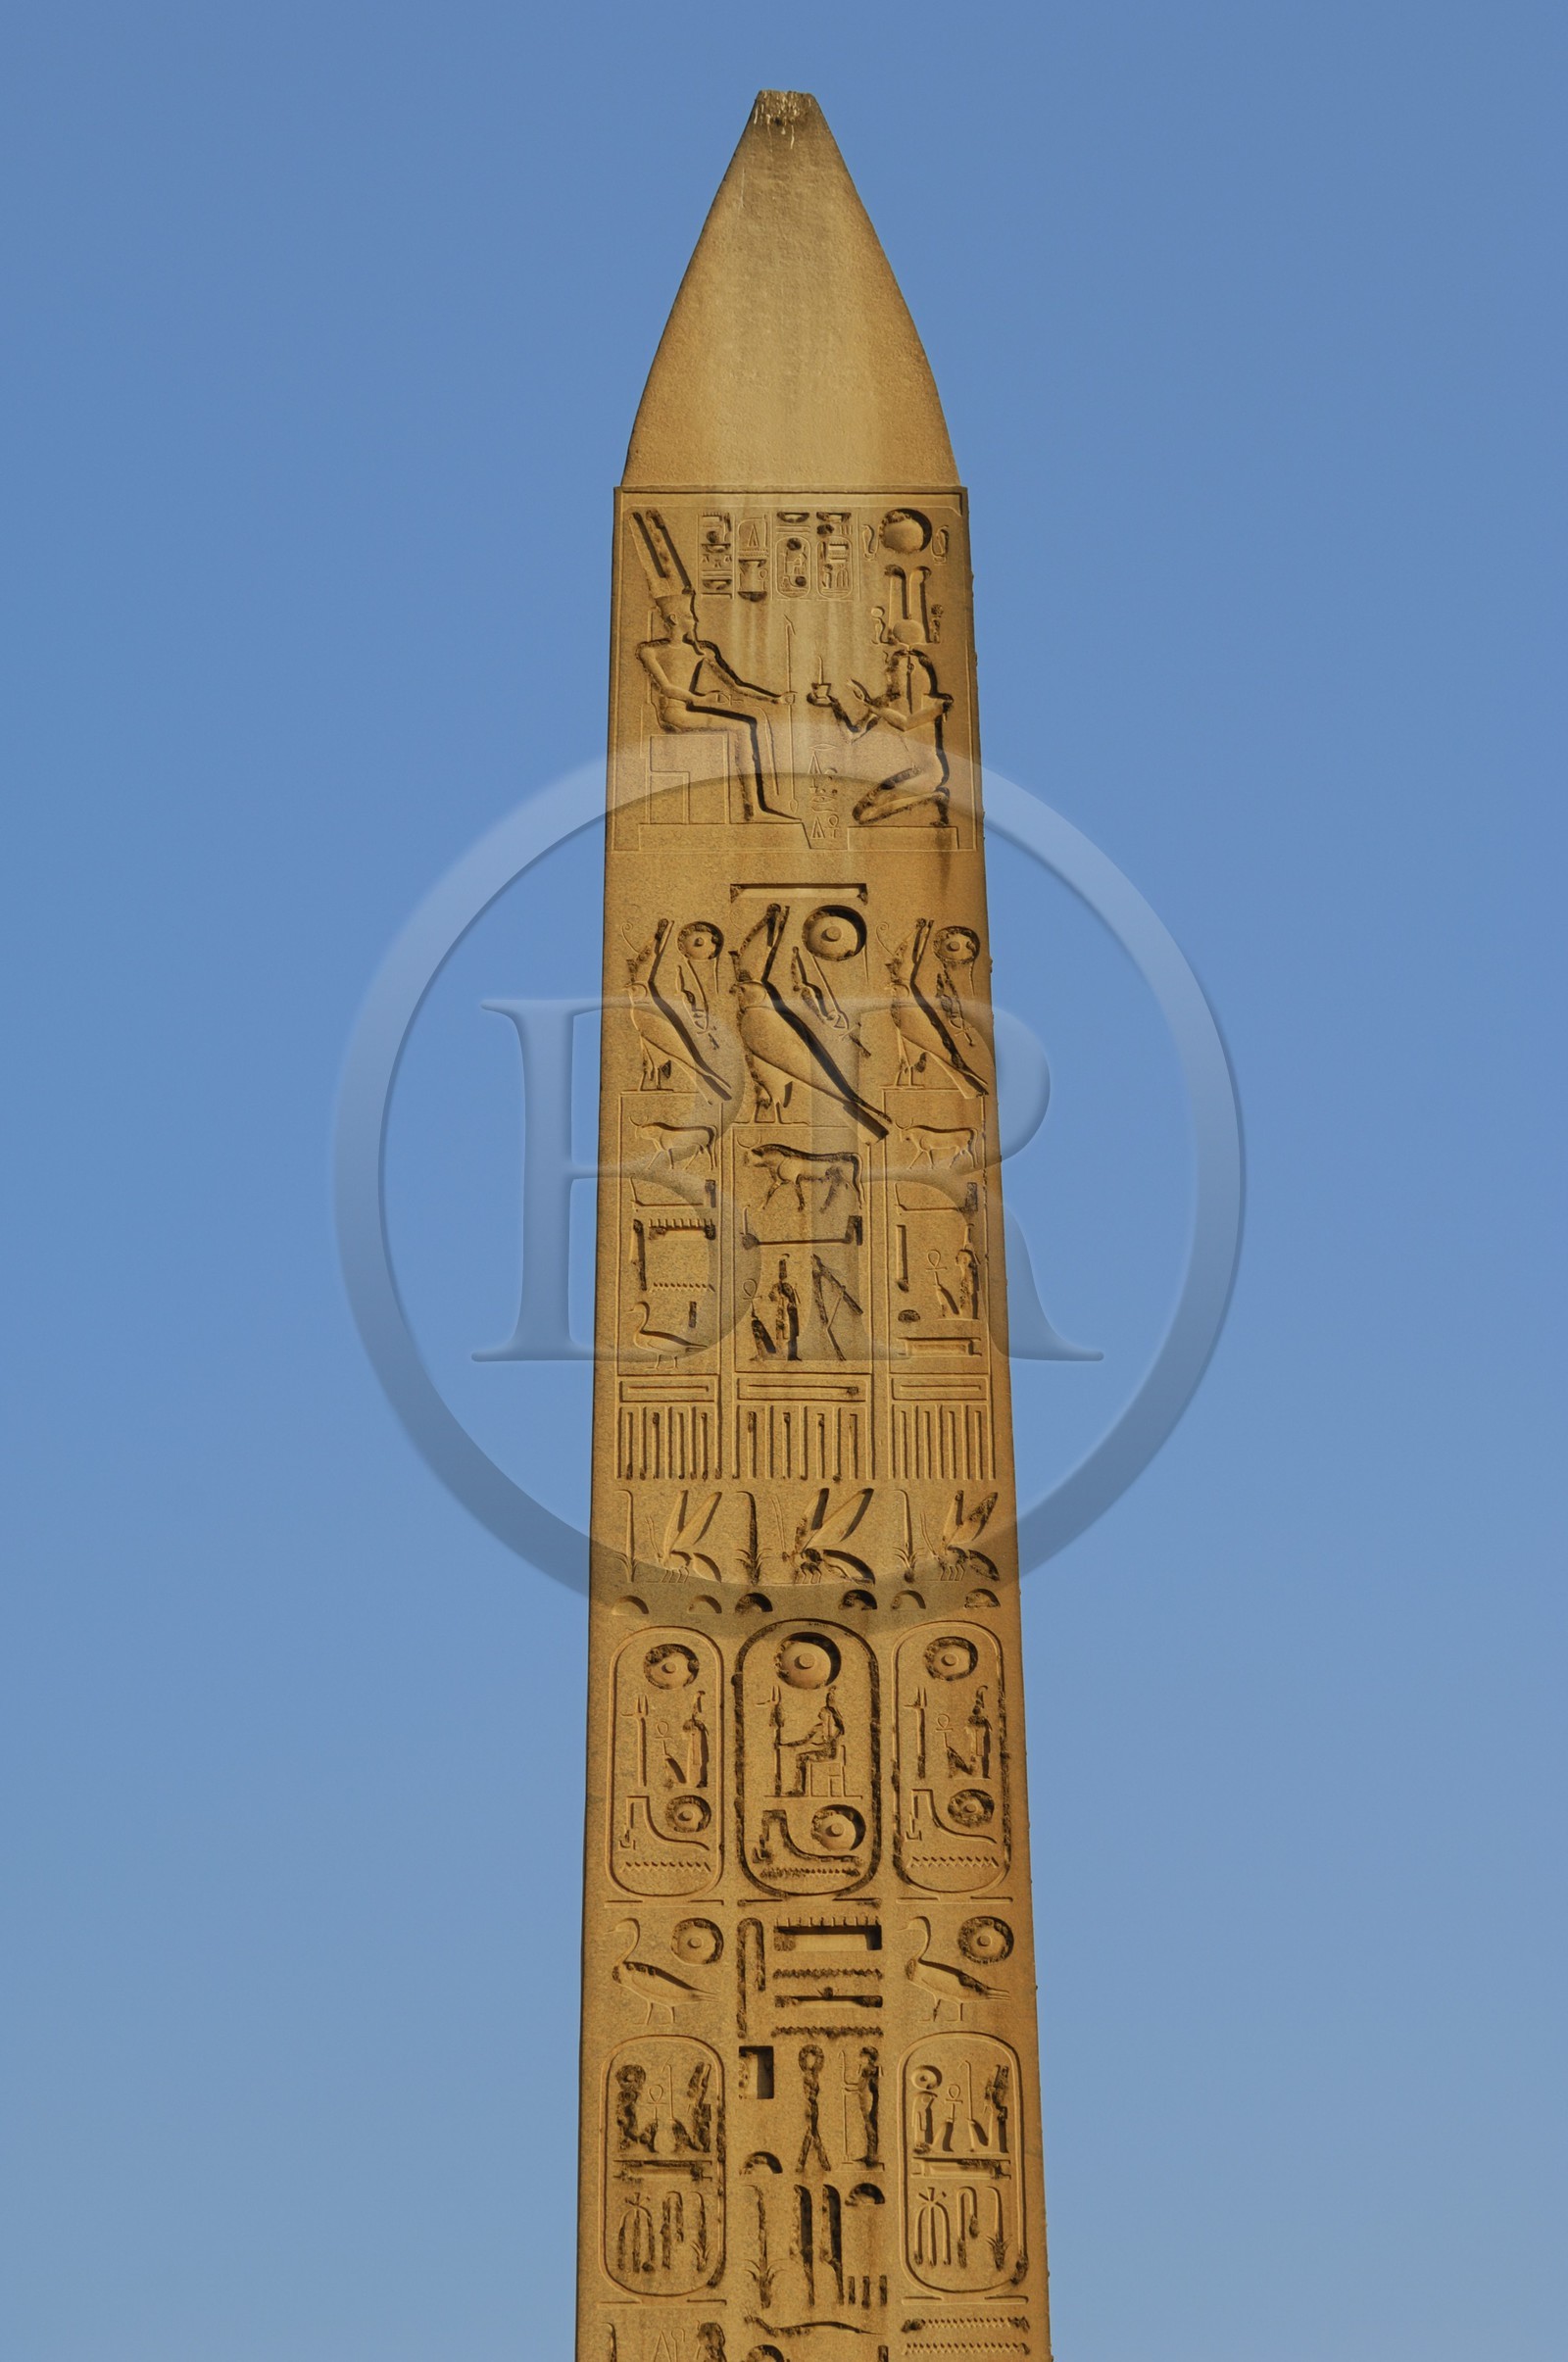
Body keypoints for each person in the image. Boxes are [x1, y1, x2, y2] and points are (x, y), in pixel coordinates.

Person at [639, 590, 788, 819]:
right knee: (742, 728)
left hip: (687, 710)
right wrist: (700, 700)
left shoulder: (702, 652)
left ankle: (754, 808)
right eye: (689, 615)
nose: (695, 620)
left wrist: (773, 698)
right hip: (673, 713)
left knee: (745, 726)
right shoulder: (651, 652)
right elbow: (666, 688)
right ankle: (754, 810)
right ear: (674, 619)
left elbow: (736, 685)